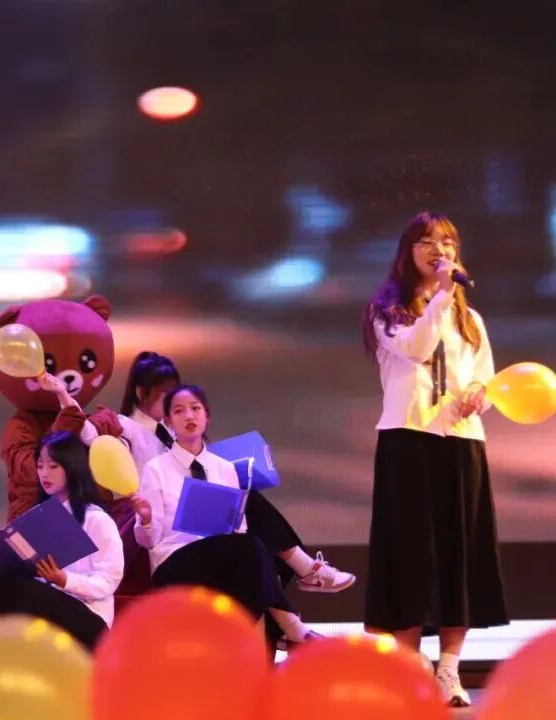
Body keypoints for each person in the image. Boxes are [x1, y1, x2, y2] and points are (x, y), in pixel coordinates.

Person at [362, 211, 507, 707]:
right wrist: (442, 297)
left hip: (461, 443)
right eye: (425, 241)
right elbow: (419, 349)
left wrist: (479, 394)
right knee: (410, 554)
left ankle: (448, 669)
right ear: (408, 252)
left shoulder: (471, 320)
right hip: (408, 441)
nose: (437, 250)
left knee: (456, 555)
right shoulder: (388, 311)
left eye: (446, 242)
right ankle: (408, 667)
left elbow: (485, 376)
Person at [117, 351, 354, 594]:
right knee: (249, 507)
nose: (185, 413)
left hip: (199, 513)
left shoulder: (173, 431)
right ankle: (305, 571)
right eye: (169, 399)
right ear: (141, 393)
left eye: (193, 407)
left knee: (248, 526)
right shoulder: (125, 427)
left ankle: (296, 587)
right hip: (155, 514)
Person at [131, 384, 318, 647]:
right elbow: (149, 541)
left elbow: (238, 528)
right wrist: (146, 519)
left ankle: (261, 648)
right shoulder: (156, 469)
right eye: (179, 411)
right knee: (251, 550)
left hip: (222, 558)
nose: (189, 416)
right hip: (176, 560)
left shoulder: (225, 468)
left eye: (195, 408)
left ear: (206, 416)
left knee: (252, 556)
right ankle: (287, 624)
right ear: (169, 422)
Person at [0, 431, 124, 650]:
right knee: (1, 583)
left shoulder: (96, 519)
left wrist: (65, 580)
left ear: (72, 467)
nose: (44, 473)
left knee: (19, 590)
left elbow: (108, 580)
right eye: (40, 466)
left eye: (53, 466)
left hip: (90, 616)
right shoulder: (39, 516)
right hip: (50, 603)